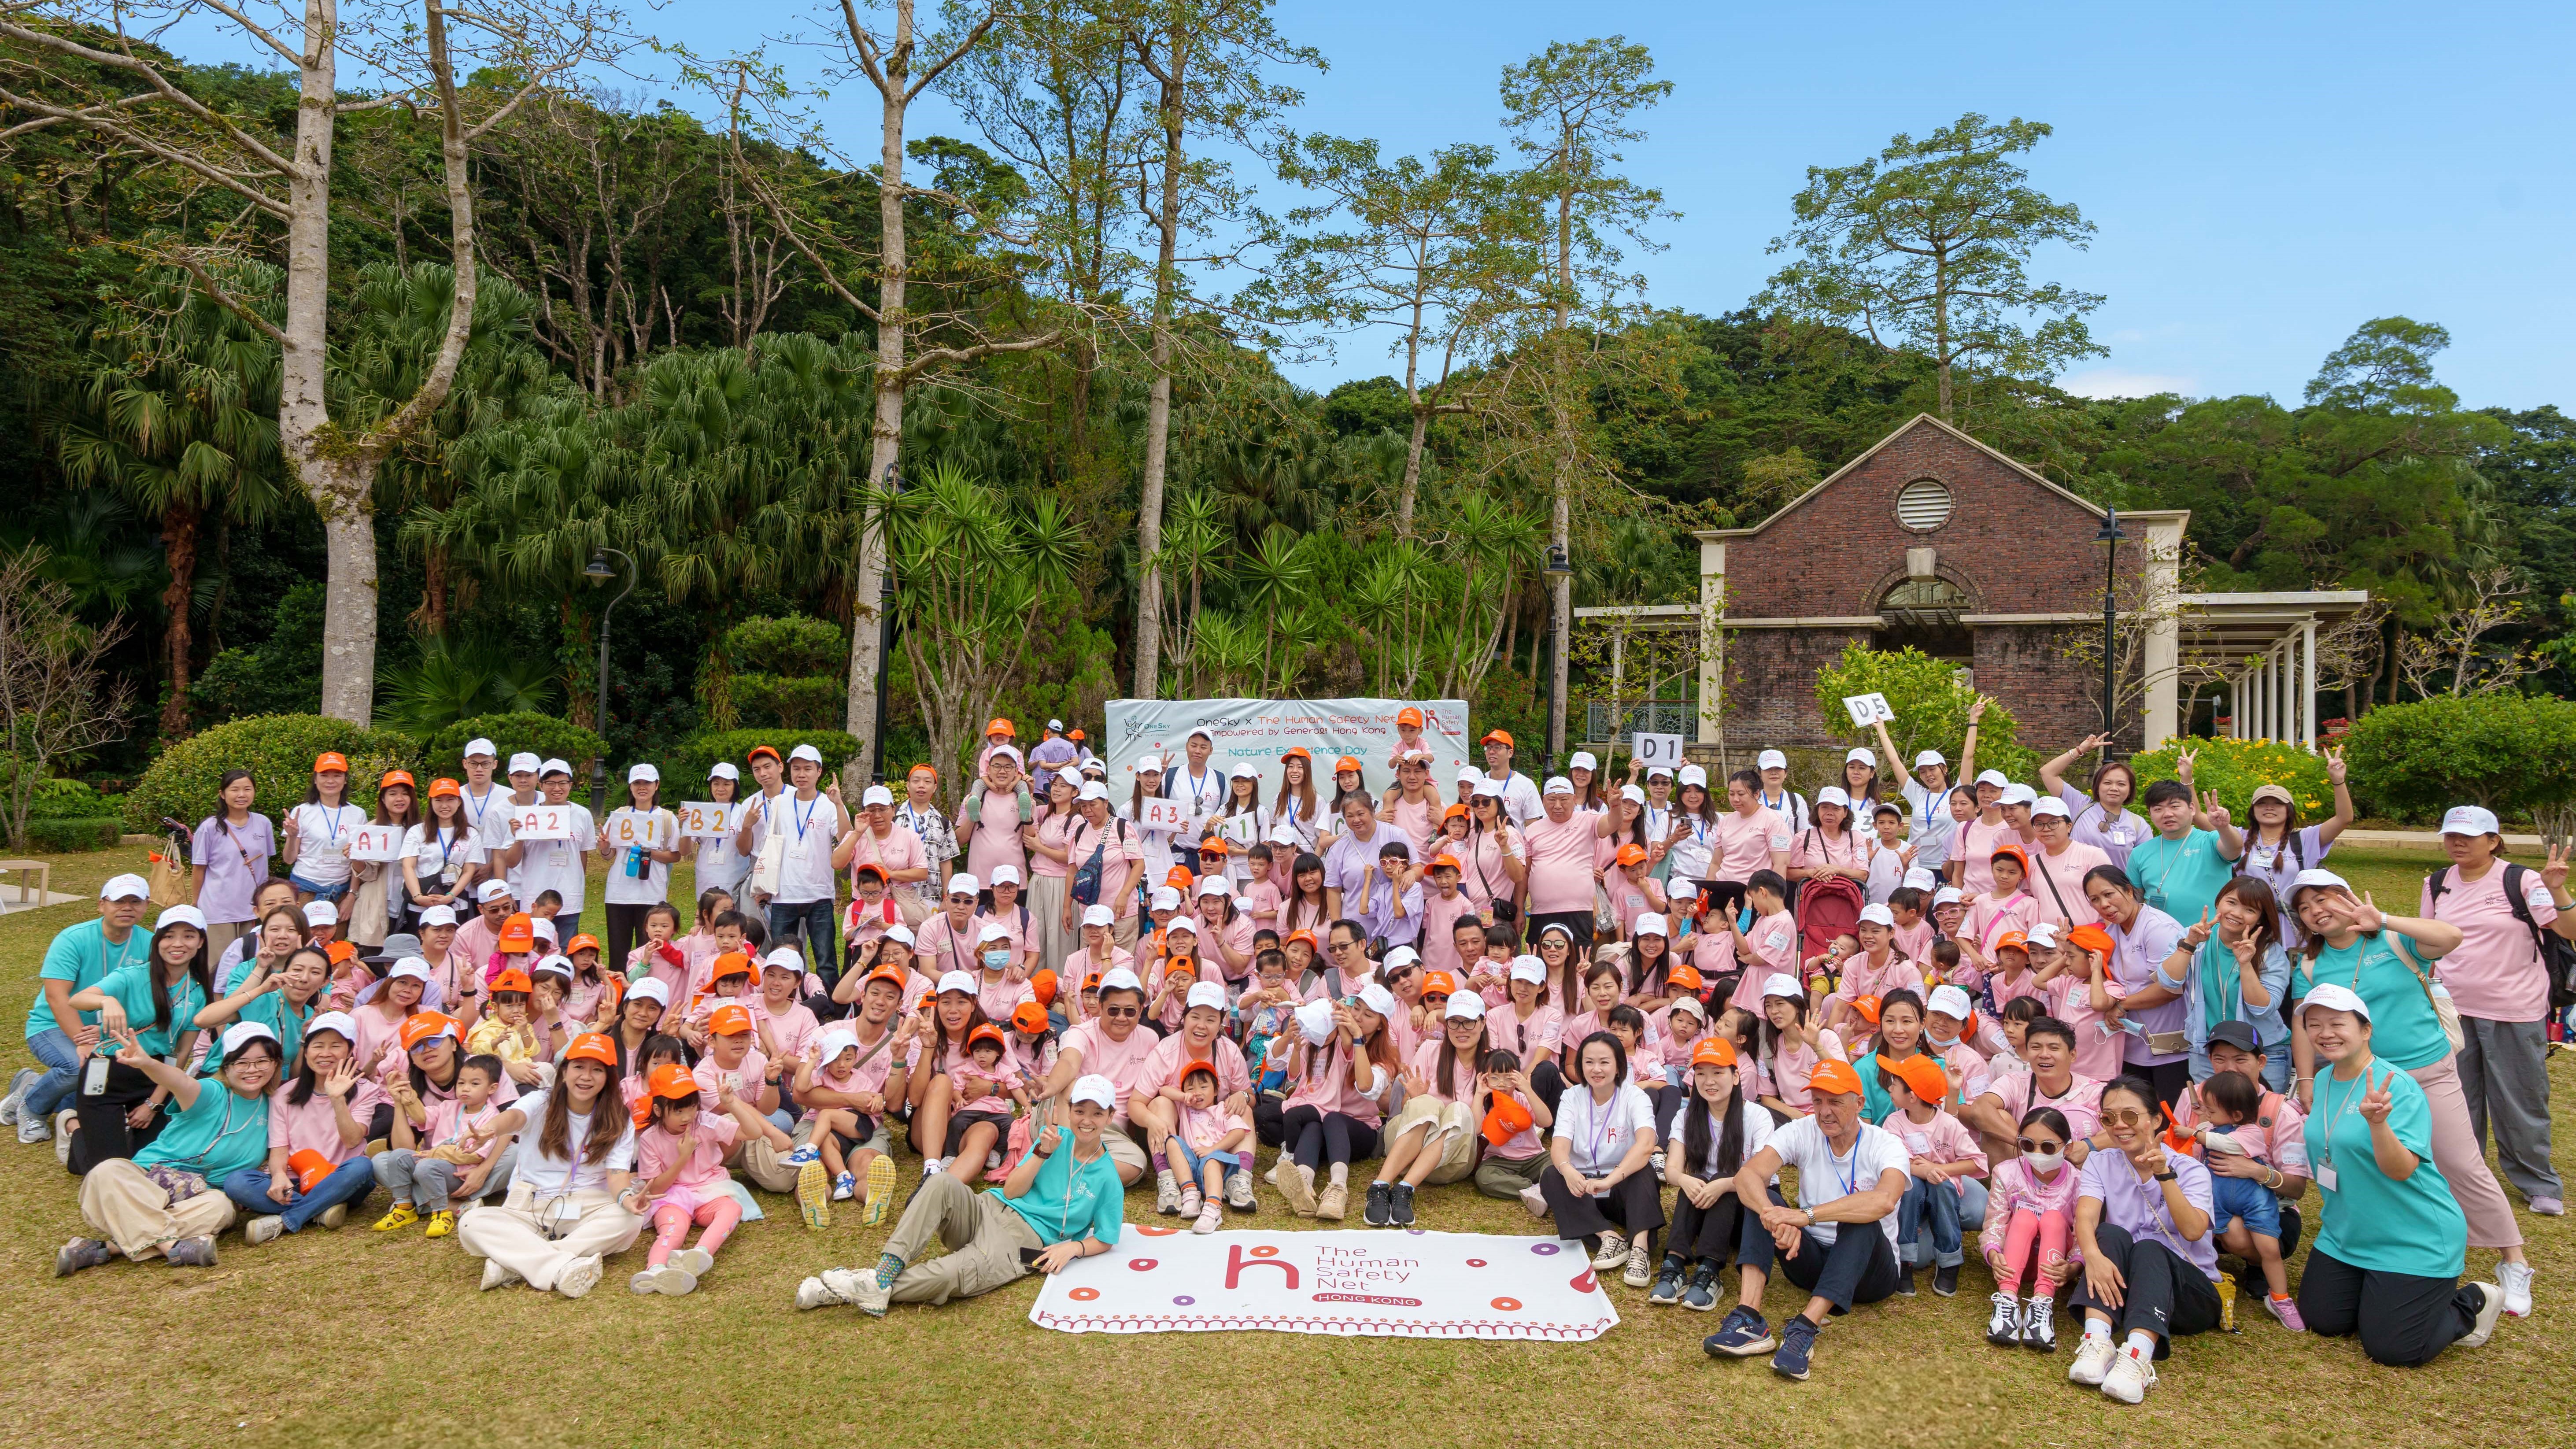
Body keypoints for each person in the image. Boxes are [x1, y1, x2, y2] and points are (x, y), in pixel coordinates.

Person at [2286, 868, 2536, 1316]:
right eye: (2303, 907)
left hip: (2425, 1072)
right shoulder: (2309, 964)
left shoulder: (2393, 940)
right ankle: (2379, 1247)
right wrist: (2306, 1079)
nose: (2314, 911)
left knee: (2459, 1161)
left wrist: (2382, 919)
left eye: (2322, 899)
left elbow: (2451, 936)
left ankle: (2512, 1260)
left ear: (2346, 896)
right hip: (2359, 1081)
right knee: (2366, 1163)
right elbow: (2302, 1025)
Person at [2292, 983, 2509, 1364]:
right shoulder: (2323, 1080)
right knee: (2323, 1321)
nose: (2325, 1033)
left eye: (2337, 1024)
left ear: (2365, 1030)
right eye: (2314, 1025)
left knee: (2394, 1350)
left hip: (2412, 1237)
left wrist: (2377, 1124)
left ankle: (2471, 1302)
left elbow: (2401, 1169)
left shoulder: (2397, 1087)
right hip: (2346, 1233)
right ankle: (2379, 1296)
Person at [795, 1071, 1127, 1316]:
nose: (1087, 1120)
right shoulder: (1053, 1139)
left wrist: (1075, 1247)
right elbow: (1012, 1191)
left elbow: (1107, 1238)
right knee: (941, 1182)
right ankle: (885, 1271)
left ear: (1110, 1117)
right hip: (989, 1207)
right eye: (1080, 1111)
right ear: (1070, 1111)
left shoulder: (1108, 1178)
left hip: (1022, 1241)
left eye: (1097, 1113)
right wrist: (1042, 1153)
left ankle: (855, 1288)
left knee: (950, 1274)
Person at [1703, 1059, 1909, 1379]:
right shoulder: (1802, 1130)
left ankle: (1805, 1327)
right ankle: (1749, 1317)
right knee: (1764, 1199)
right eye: (1817, 1101)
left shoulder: (1886, 1144)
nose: (1824, 1112)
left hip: (1869, 1274)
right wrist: (1774, 1217)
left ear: (1859, 1104)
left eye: (1835, 1102)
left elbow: (1883, 1201)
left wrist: (1804, 1217)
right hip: (1809, 1261)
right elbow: (1747, 1176)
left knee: (1862, 1219)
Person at [2419, 805, 2573, 1217]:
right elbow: (2427, 944)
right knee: (2457, 1101)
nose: (2457, 843)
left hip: (2514, 1009)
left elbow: (2568, 930)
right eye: (2451, 835)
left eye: (2468, 837)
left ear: (2493, 841)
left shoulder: (2522, 880)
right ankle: (2462, 1180)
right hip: (2451, 1011)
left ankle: (2538, 1183)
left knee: (2519, 1100)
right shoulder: (2436, 883)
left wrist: (2557, 891)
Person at [55, 1021, 282, 1276]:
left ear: (276, 1064)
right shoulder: (212, 1092)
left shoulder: (276, 1108)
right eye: (241, 1063)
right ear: (226, 1067)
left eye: (262, 1061)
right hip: (145, 1184)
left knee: (220, 1208)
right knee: (105, 1171)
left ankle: (107, 1247)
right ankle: (172, 1247)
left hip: (200, 1197)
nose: (252, 1070)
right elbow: (180, 1082)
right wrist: (148, 1064)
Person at [454, 1031, 648, 1298]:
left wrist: (627, 1197)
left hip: (587, 1206)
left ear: (609, 1077)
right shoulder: (541, 1101)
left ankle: (515, 1266)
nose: (586, 1077)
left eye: (597, 1070)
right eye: (579, 1067)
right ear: (564, 1071)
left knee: (629, 1218)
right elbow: (514, 1117)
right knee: (471, 1222)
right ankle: (561, 1266)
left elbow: (617, 1174)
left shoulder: (619, 1118)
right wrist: (491, 1129)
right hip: (532, 1204)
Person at [2066, 1076, 2221, 1405]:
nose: (2119, 1126)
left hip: (2188, 1295)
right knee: (2109, 1234)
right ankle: (2097, 1342)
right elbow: (2086, 1217)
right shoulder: (2100, 1161)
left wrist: (2163, 1175)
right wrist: (2091, 1256)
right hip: (2130, 1288)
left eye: (2130, 1116)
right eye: (2109, 1118)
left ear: (2156, 1120)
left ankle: (2137, 1357)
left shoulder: (2190, 1170)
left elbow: (2193, 1231)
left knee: (2150, 1247)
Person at [58, 905, 212, 1169]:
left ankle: (104, 1137)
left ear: (200, 942)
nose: (178, 944)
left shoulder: (198, 990)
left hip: (155, 1075)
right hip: (108, 1072)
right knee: (111, 1169)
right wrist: (107, 1001)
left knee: (149, 1167)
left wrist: (154, 1103)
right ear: (158, 941)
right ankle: (74, 1127)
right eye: (169, 936)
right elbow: (78, 999)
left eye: (189, 936)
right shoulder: (131, 976)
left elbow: (181, 1053)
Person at [10, 874, 155, 1146]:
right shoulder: (73, 939)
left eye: (135, 901)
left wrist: (107, 1035)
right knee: (80, 1068)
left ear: (147, 905)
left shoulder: (151, 944)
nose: (127, 908)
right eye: (119, 901)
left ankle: (32, 1085)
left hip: (110, 1030)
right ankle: (31, 1108)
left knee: (109, 1078)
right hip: (52, 1025)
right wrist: (84, 1042)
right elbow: (56, 997)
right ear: (102, 905)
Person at [226, 1010, 385, 1241]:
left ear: (350, 1050)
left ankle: (288, 1219)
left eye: (336, 1046)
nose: (325, 1054)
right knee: (236, 1182)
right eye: (318, 1046)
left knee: (362, 1166)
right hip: (296, 1181)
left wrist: (338, 1099)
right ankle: (321, 1210)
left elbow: (352, 1141)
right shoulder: (284, 1094)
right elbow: (280, 1148)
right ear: (307, 1050)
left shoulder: (366, 1091)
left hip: (339, 1179)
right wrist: (278, 1176)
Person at [1649, 1036, 1775, 1309]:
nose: (1709, 1082)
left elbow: (1763, 1177)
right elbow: (1672, 1170)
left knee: (1726, 1180)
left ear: (1736, 1077)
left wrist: (1723, 1185)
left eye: (1718, 1073)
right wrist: (1684, 1179)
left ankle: (1710, 1271)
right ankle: (1674, 1264)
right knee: (1695, 1181)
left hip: (1750, 1211)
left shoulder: (1757, 1116)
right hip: (1708, 1205)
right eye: (1701, 1074)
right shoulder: (1687, 1117)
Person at [1538, 1031, 1666, 1288]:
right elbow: (1559, 1146)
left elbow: (1646, 1145)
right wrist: (1569, 1171)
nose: (1596, 1069)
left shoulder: (1635, 1097)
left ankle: (1639, 1249)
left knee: (1644, 1171)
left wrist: (1610, 1180)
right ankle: (1608, 1237)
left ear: (1619, 1066)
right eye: (1589, 1062)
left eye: (1604, 1062)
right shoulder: (1572, 1097)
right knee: (1552, 1175)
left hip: (1621, 1186)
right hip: (1584, 1188)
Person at [1366, 991, 1490, 1225]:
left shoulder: (1491, 1064)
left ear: (1483, 1024)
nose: (1461, 1029)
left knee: (1459, 1110)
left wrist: (1479, 1095)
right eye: (1454, 1022)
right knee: (1426, 1102)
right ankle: (1380, 1187)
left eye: (1469, 1022)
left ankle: (1405, 1189)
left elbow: (1474, 1130)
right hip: (1406, 1154)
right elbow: (1407, 1110)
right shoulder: (1429, 1050)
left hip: (1451, 1161)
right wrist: (1414, 1097)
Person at [1276, 989, 1399, 1220]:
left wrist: (1358, 1039)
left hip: (1359, 1130)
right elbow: (1291, 1062)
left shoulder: (1384, 1057)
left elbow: (1366, 1086)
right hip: (1326, 1126)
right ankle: (1303, 1185)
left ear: (1381, 1026)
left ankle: (1339, 1188)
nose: (1358, 1017)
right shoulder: (1335, 1038)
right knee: (1314, 1123)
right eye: (1357, 1008)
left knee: (1331, 1118)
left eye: (1369, 1015)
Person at [628, 1062, 743, 1297]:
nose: (688, 1117)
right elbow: (655, 1188)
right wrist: (684, 1157)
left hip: (710, 1192)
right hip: (671, 1198)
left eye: (692, 1107)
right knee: (675, 1227)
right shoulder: (650, 1138)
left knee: (733, 1209)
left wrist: (732, 1104)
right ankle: (655, 1269)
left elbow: (752, 1133)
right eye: (678, 1111)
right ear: (658, 1110)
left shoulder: (704, 1121)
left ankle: (699, 1254)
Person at [2085, 865, 2193, 1106]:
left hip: (2169, 1048)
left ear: (2129, 891)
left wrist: (2122, 1005)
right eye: (2095, 900)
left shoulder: (2157, 927)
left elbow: (2171, 988)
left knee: (2171, 1118)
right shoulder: (2110, 932)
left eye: (2109, 894)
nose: (2104, 905)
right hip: (2130, 1047)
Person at [2171, 877, 2293, 1087]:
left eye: (2250, 910)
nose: (2237, 913)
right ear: (2218, 902)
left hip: (2261, 1052)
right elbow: (2169, 980)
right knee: (2212, 1108)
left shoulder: (2270, 952)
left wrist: (2246, 964)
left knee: (2263, 1108)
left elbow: (2262, 1009)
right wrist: (2189, 944)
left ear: (2260, 919)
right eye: (2231, 902)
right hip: (2209, 1052)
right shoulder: (2194, 937)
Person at [743, 744, 847, 985]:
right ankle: (788, 1000)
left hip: (819, 894)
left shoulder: (828, 805)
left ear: (819, 772)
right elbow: (772, 844)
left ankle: (831, 1004)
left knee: (826, 960)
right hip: (784, 895)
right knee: (782, 959)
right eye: (796, 769)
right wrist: (764, 887)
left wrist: (840, 804)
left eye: (808, 769)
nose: (801, 774)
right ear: (788, 770)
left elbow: (845, 837)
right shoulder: (780, 803)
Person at [1981, 1106, 2082, 1350]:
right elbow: (1995, 1221)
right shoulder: (2006, 1172)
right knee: (2025, 1217)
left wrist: (2073, 1267)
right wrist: (1993, 1253)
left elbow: (2083, 1233)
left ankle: (2042, 1304)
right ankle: (2007, 1301)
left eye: (2048, 1147)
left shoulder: (2079, 1181)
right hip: (2014, 1261)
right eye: (2027, 1145)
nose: (2037, 1153)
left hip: (2055, 1266)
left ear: (2068, 1148)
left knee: (2054, 1219)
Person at [597, 764, 684, 968]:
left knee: (650, 954)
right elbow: (609, 855)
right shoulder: (620, 814)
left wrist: (648, 852)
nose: (642, 787)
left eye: (647, 783)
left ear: (657, 785)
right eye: (637, 783)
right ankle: (619, 988)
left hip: (651, 893)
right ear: (630, 786)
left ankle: (646, 988)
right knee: (619, 954)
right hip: (619, 893)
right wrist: (605, 847)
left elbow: (675, 856)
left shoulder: (667, 818)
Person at [189, 769, 277, 962]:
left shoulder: (263, 823)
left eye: (248, 789)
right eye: (235, 789)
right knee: (219, 964)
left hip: (254, 907)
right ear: (222, 794)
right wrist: (196, 903)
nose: (242, 795)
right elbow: (199, 868)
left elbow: (266, 863)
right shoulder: (210, 827)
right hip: (218, 908)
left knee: (252, 962)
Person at [2038, 735, 2149, 869]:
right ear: (2097, 786)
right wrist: (2080, 750)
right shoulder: (2079, 805)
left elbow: (2146, 864)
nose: (2114, 788)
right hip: (2076, 881)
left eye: (2121, 784)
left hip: (2116, 883)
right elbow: (2047, 773)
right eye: (2107, 783)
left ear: (2130, 790)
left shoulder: (2138, 824)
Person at [283, 752, 363, 905]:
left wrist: (352, 895)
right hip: (304, 889)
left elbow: (358, 859)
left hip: (341, 892)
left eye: (337, 776)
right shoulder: (302, 812)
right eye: (324, 775)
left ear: (345, 779)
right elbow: (289, 860)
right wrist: (292, 836)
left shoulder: (358, 814)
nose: (330, 781)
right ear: (315, 779)